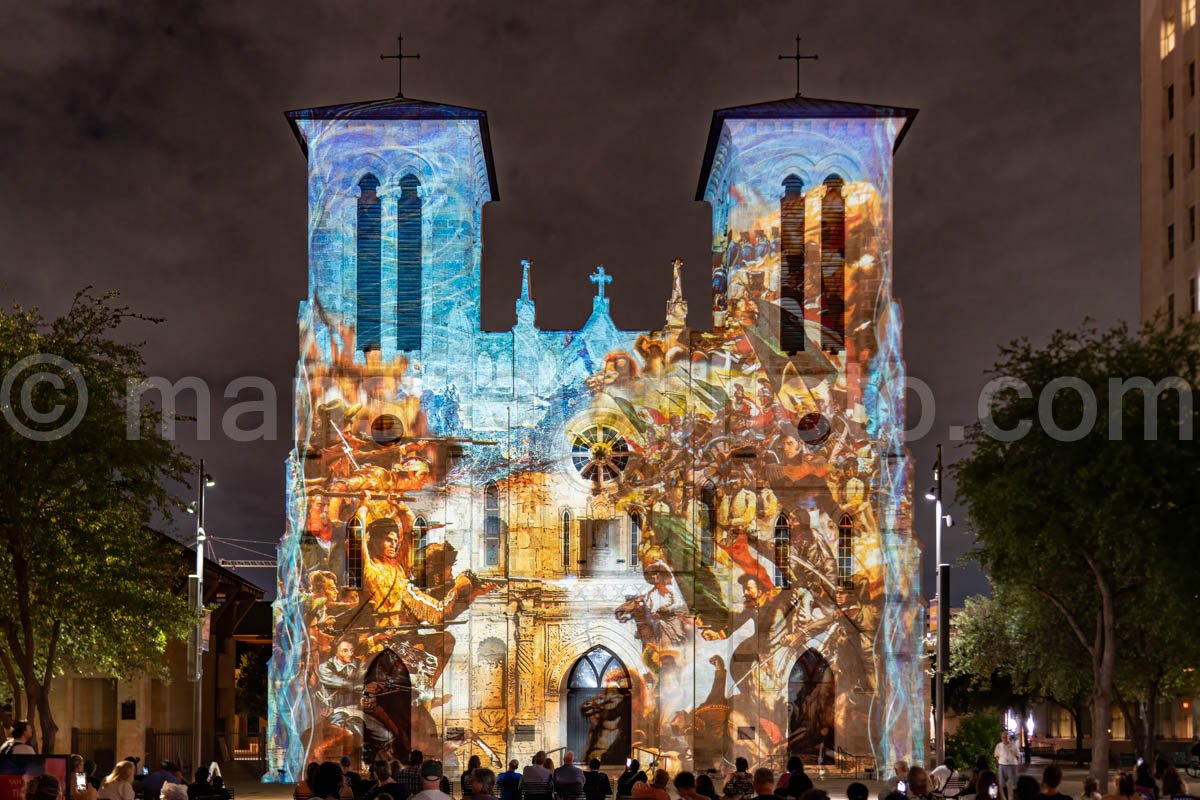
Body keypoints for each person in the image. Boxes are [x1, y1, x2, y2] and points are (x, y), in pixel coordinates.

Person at [995, 733, 1021, 800]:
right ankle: (1006, 798)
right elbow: (996, 755)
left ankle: (1015, 798)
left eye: (1006, 737)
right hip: (1002, 766)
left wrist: (1013, 763)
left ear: (1009, 738)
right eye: (1003, 737)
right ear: (1001, 738)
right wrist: (1000, 762)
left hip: (1012, 766)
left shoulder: (1013, 745)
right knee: (1003, 784)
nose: (1004, 739)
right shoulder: (999, 745)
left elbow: (1017, 756)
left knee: (1014, 784)